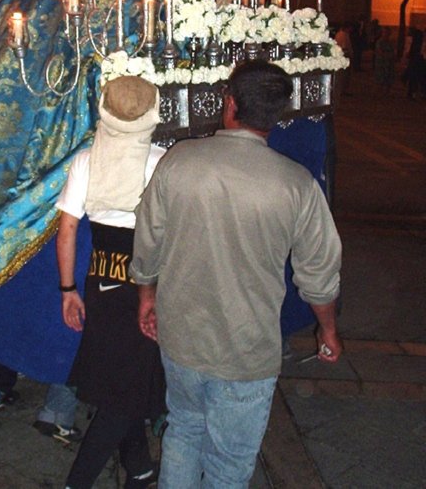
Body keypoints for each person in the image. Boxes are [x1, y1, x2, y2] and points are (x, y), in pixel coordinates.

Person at [131, 61, 343, 488]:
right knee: (229, 461)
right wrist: (328, 330)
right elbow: (319, 271)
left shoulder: (180, 161)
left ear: (229, 104)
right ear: (278, 115)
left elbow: (148, 241)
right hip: (246, 351)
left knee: (184, 431)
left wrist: (147, 297)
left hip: (183, 336)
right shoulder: (296, 184)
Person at [57, 75, 165, 489]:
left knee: (124, 379)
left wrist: (68, 289)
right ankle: (78, 481)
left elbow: (66, 230)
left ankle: (138, 465)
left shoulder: (86, 160)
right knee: (126, 388)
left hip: (100, 280)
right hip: (147, 285)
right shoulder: (161, 161)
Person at [373, 26, 395, 94]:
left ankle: (387, 91)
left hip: (389, 62)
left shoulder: (390, 42)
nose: (387, 34)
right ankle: (379, 91)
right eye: (385, 33)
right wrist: (386, 55)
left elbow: (393, 51)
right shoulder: (379, 42)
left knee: (389, 76)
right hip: (381, 62)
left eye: (388, 33)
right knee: (380, 76)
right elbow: (380, 51)